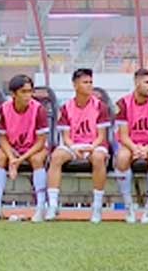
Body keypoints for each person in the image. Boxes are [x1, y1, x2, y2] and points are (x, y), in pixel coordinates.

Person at [45, 68, 111, 223]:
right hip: (74, 145)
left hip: (95, 145)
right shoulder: (66, 107)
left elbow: (101, 136)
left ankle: (97, 206)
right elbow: (66, 137)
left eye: (90, 82)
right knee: (56, 156)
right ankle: (52, 205)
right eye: (85, 82)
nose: (89, 85)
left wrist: (91, 147)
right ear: (75, 85)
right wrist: (75, 148)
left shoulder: (100, 106)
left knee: (98, 158)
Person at [0, 74, 50, 222]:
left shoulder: (39, 110)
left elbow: (41, 141)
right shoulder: (3, 109)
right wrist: (11, 157)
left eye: (30, 91)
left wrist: (18, 161)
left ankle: (40, 207)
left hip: (34, 147)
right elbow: (2, 137)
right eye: (23, 92)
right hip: (12, 146)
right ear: (13, 94)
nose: (28, 95)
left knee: (37, 159)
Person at [113, 68, 148, 224]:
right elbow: (123, 135)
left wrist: (146, 149)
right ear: (137, 83)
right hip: (130, 143)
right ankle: (128, 206)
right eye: (147, 82)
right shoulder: (123, 103)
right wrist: (135, 148)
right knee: (122, 157)